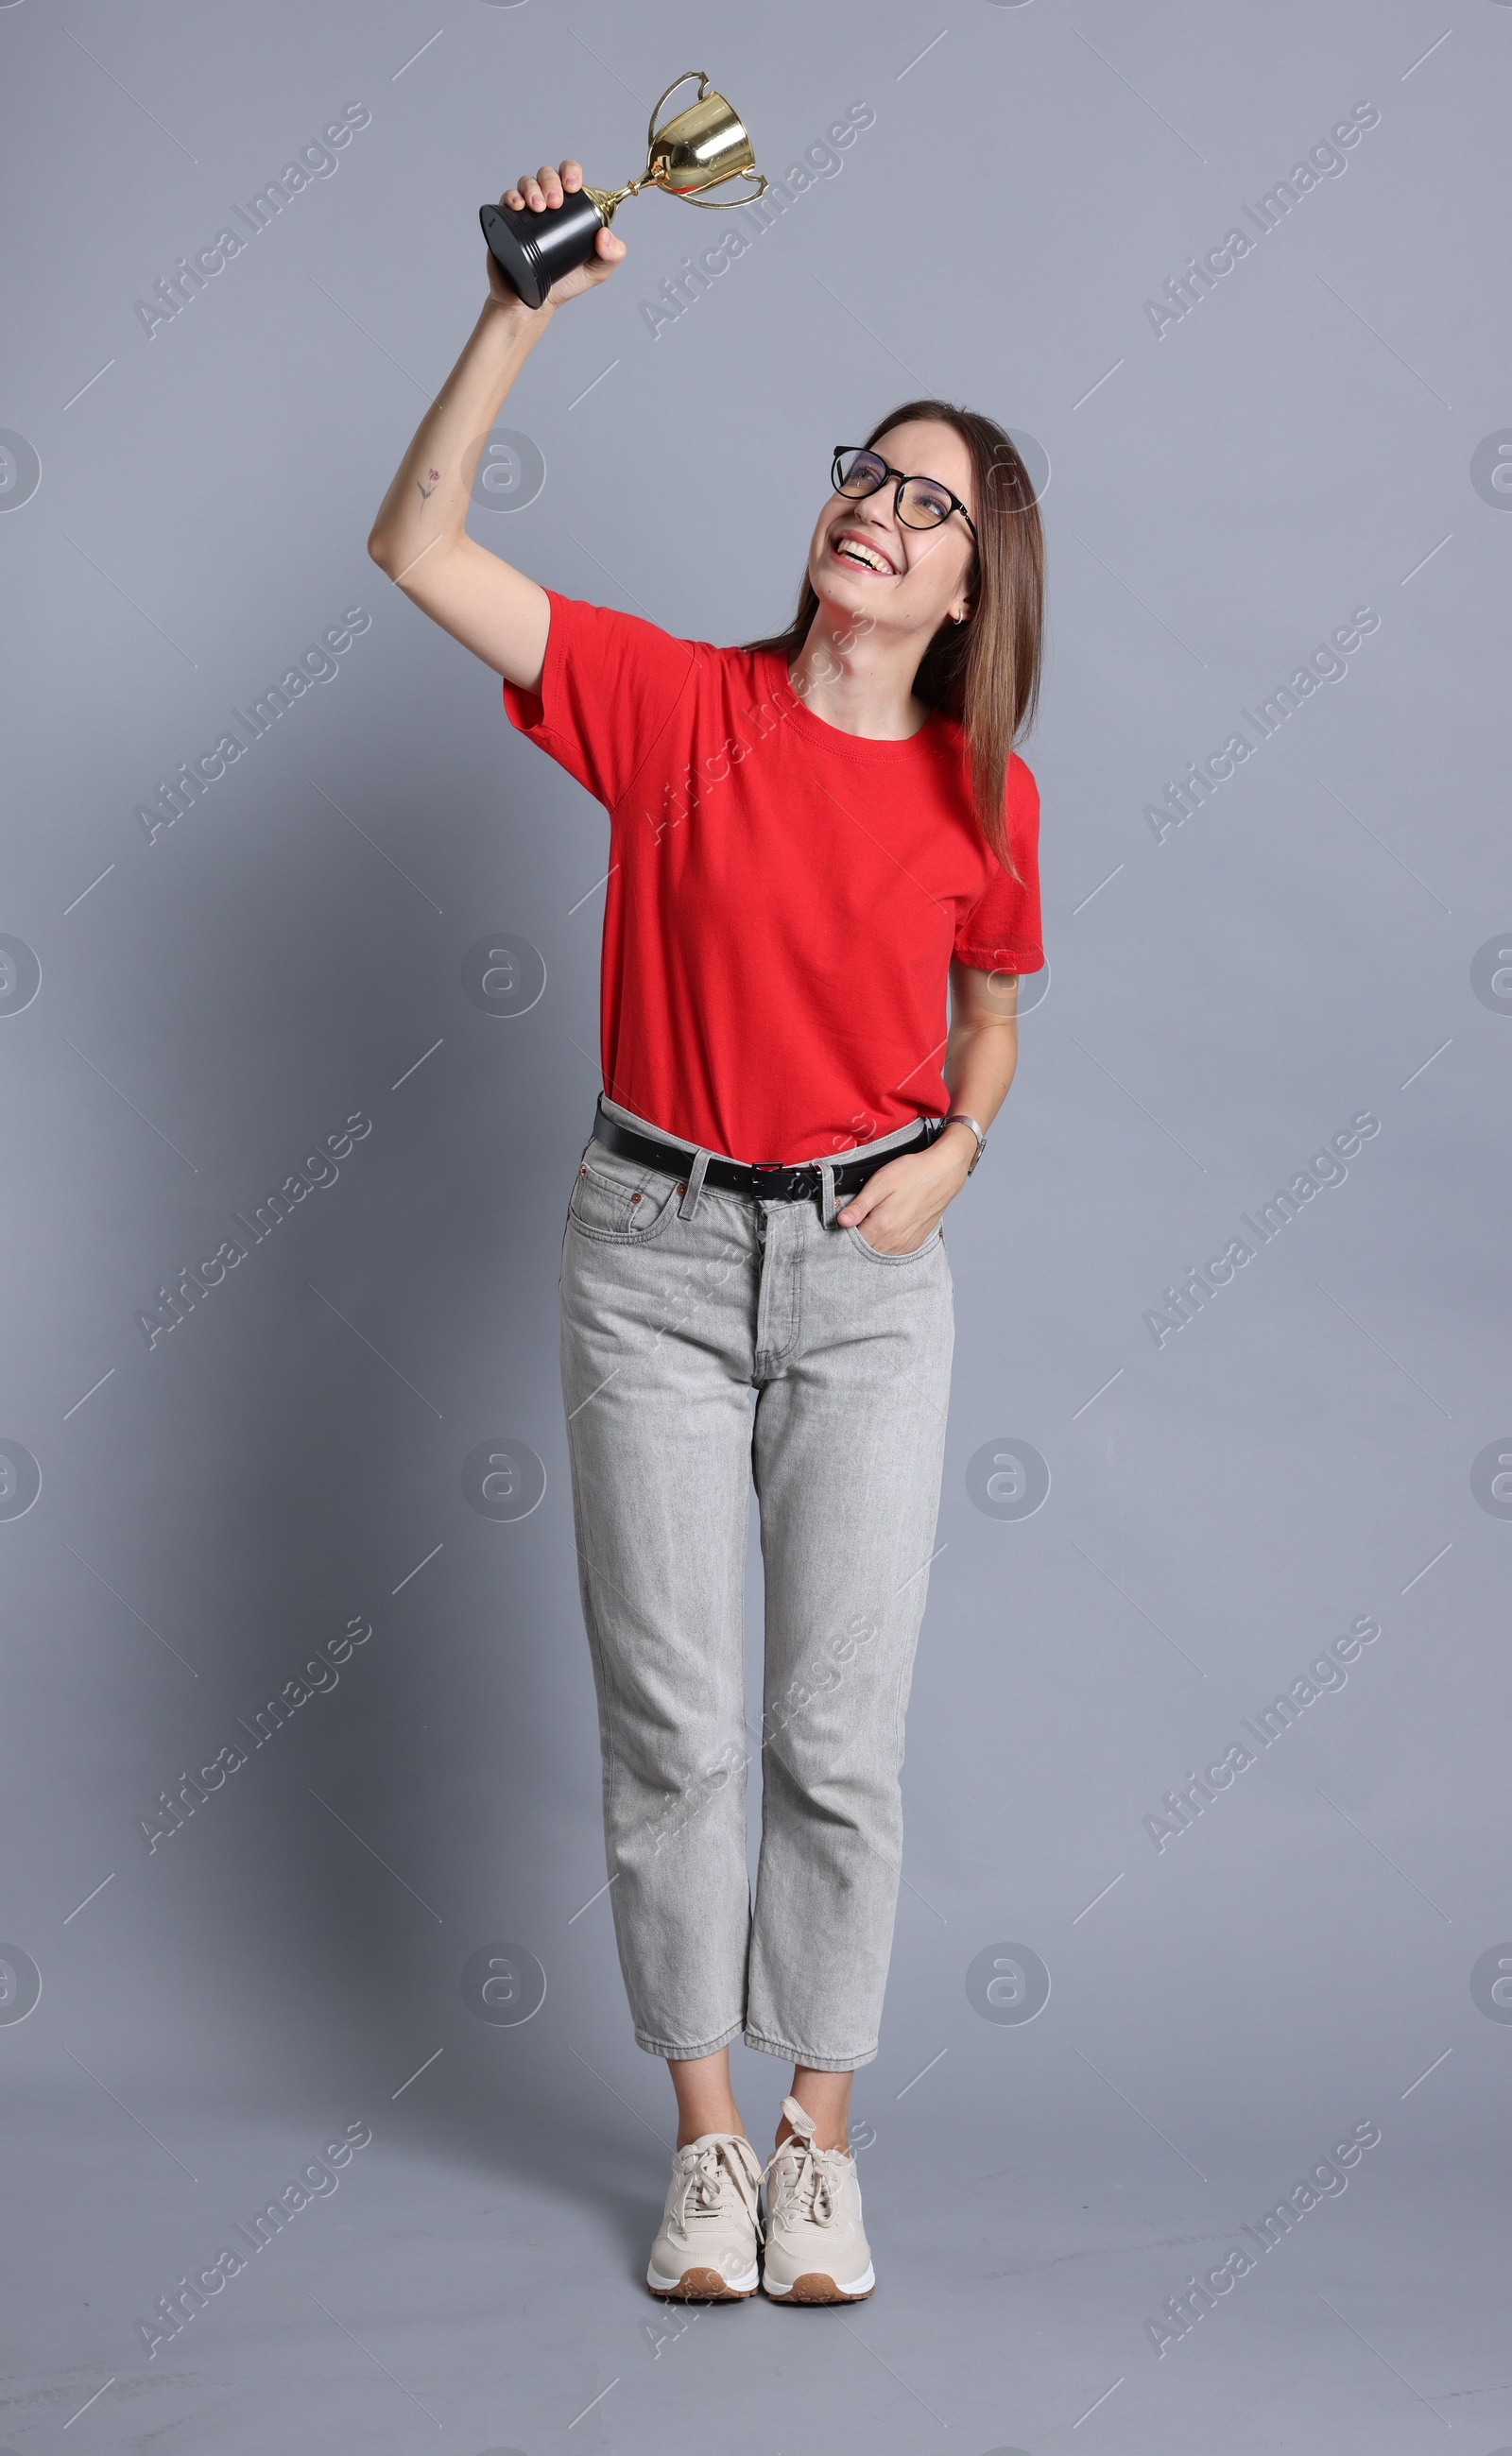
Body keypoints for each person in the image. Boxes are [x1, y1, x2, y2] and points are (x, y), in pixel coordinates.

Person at [369, 157, 1044, 2307]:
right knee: (671, 1721)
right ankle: (706, 2142)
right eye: (870, 473)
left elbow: (991, 1016)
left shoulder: (982, 798)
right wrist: (516, 307)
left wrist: (957, 1151)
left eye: (929, 505)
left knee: (832, 1735)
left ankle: (821, 2150)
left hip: (863, 1279)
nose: (880, 507)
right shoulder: (679, 710)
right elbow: (418, 546)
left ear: (967, 591)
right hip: (646, 1254)